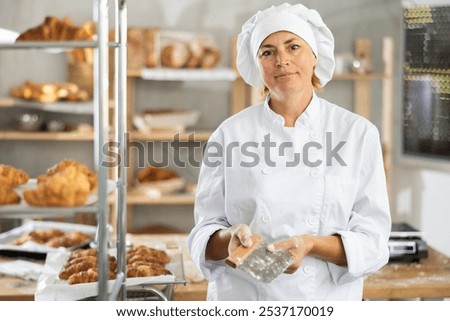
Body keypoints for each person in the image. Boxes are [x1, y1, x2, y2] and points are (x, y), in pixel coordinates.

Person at [187, 2, 391, 300]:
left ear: (313, 56)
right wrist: (228, 239)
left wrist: (311, 244)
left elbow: (373, 242)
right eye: (267, 52)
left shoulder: (357, 134)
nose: (281, 60)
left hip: (323, 301)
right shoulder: (229, 134)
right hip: (245, 299)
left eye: (293, 47)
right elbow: (204, 230)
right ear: (257, 65)